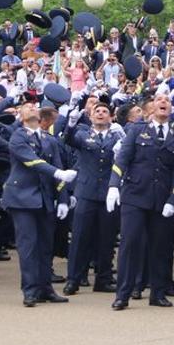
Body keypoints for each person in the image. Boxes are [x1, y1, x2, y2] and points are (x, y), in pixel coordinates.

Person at [107, 95, 174, 310]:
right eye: (159, 100)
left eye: (167, 101)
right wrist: (114, 185)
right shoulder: (137, 130)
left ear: (171, 108)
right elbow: (122, 159)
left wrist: (173, 198)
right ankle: (123, 294)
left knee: (161, 247)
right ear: (151, 108)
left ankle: (158, 293)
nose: (163, 103)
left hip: (162, 200)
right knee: (130, 245)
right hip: (134, 195)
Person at [2, 103, 76, 307]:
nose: (33, 108)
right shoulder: (18, 136)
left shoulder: (48, 139)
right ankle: (30, 289)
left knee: (45, 245)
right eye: (27, 107)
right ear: (20, 115)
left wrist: (62, 199)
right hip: (22, 197)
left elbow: (59, 168)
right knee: (28, 246)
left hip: (44, 198)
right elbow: (31, 161)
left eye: (34, 106)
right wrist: (57, 173)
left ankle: (45, 288)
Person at [61, 96, 120, 295]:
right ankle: (74, 279)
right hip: (86, 192)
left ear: (111, 117)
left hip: (108, 193)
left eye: (104, 112)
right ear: (90, 116)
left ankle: (103, 278)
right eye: (97, 111)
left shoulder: (116, 137)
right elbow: (68, 140)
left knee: (107, 238)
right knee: (80, 238)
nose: (101, 114)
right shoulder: (83, 134)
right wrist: (70, 123)